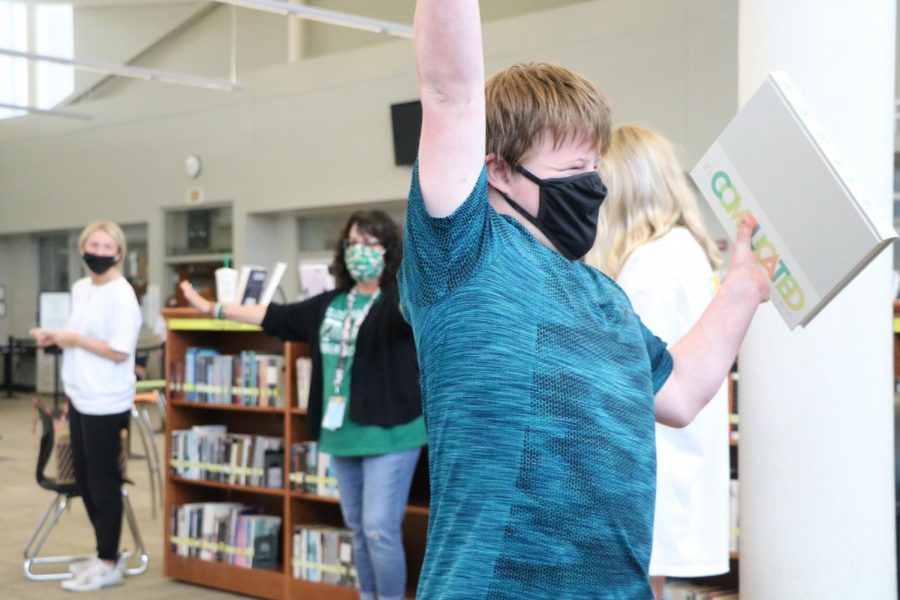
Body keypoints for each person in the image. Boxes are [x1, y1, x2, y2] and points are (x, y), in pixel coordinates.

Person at [397, 2, 769, 598]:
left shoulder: (606, 296)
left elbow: (679, 393)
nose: (593, 184)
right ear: (496, 170)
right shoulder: (463, 253)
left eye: (596, 166)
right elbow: (448, 91)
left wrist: (745, 286)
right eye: (574, 167)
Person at [180, 209, 425, 600]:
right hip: (340, 431)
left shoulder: (397, 302)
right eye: (354, 242)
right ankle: (368, 594)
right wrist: (214, 308)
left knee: (380, 528)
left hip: (392, 430)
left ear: (388, 251)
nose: (359, 251)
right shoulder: (329, 304)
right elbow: (274, 316)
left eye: (370, 243)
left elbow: (414, 311)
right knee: (358, 529)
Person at [586, 124, 730, 599]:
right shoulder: (679, 254)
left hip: (649, 469)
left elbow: (633, 377)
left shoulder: (654, 264)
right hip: (663, 465)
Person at [30, 220, 142, 592]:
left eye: (107, 246)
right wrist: (55, 337)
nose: (99, 251)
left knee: (103, 482)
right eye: (93, 244)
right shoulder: (80, 289)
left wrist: (75, 338)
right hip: (79, 396)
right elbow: (78, 339)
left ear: (119, 253)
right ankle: (102, 553)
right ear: (82, 249)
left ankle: (109, 559)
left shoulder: (122, 295)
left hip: (107, 402)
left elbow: (119, 351)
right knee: (85, 481)